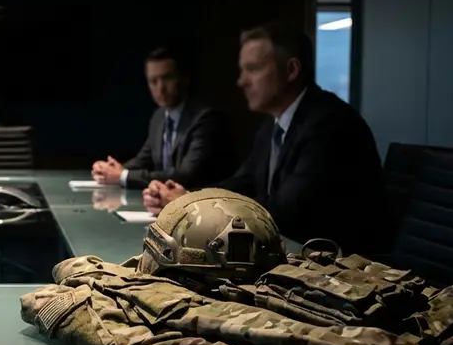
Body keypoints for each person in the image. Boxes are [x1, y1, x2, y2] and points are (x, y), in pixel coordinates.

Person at [144, 22, 389, 256]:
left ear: (292, 70)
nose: (241, 81)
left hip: (338, 273)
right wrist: (189, 195)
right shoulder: (272, 123)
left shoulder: (330, 125)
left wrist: (190, 204)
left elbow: (284, 213)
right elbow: (243, 182)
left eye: (253, 69)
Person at [90, 46, 235, 190]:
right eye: (153, 81)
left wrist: (123, 176)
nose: (160, 88)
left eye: (167, 78)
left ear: (184, 78)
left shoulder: (206, 119)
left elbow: (185, 176)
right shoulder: (159, 116)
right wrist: (110, 169)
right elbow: (143, 160)